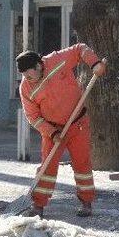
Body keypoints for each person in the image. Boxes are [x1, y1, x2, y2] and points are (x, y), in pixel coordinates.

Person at [16, 44, 106, 218]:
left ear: (39, 65)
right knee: (47, 167)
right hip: (53, 129)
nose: (27, 78)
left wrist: (94, 63)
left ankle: (86, 202)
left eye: (29, 74)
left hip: (77, 123)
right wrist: (52, 132)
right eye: (24, 75)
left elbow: (80, 49)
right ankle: (38, 204)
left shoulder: (57, 60)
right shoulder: (25, 88)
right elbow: (33, 116)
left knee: (82, 164)